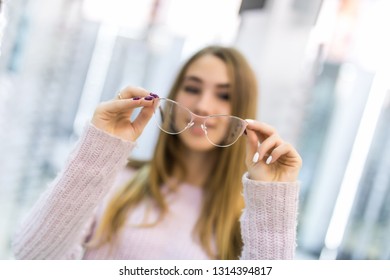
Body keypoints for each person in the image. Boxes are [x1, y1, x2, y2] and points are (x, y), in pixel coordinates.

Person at [12, 46, 302, 260]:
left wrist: (271, 202)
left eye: (223, 95)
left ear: (243, 111)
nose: (202, 105)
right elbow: (31, 259)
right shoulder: (114, 181)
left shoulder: (249, 219)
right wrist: (99, 149)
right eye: (192, 88)